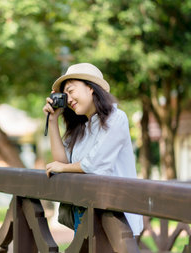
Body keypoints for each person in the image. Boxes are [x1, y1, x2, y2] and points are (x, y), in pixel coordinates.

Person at [42, 62, 143, 236]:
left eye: (71, 91)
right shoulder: (81, 128)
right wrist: (52, 121)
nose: (69, 100)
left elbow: (95, 165)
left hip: (117, 221)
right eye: (65, 96)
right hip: (85, 218)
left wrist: (64, 168)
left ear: (91, 88)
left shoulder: (116, 118)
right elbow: (61, 162)